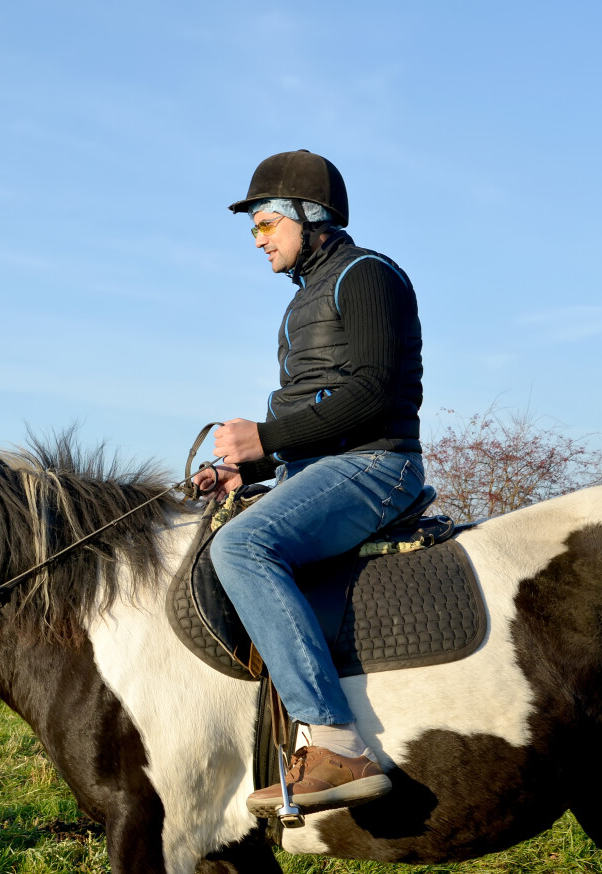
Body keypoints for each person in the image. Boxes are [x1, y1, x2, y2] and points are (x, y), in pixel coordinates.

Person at [192, 149, 425, 818]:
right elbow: (312, 415)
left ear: (308, 216)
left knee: (240, 548)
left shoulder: (368, 275)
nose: (258, 241)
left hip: (379, 465)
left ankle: (336, 742)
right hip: (323, 467)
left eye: (265, 225)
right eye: (254, 231)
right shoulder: (303, 304)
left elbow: (376, 393)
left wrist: (265, 438)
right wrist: (249, 466)